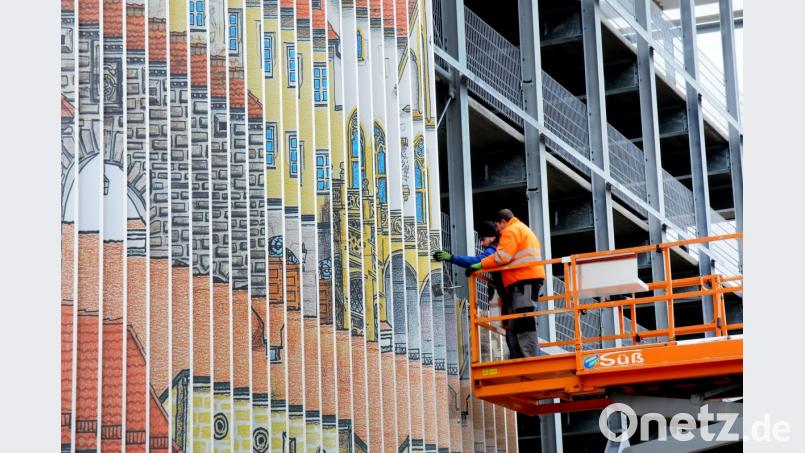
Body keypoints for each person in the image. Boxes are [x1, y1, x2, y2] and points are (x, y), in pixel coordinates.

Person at [432, 221, 524, 359]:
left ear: (492, 237)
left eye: (483, 239)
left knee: (517, 329)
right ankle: (516, 358)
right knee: (513, 329)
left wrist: (451, 258)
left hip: (514, 295)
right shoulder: (501, 248)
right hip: (512, 294)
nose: (481, 244)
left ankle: (518, 359)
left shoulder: (494, 249)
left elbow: (476, 261)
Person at [466, 209, 546, 358]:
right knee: (520, 319)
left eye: (497, 227)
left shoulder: (511, 231)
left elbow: (502, 257)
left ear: (503, 222)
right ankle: (524, 356)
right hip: (526, 279)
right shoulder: (523, 229)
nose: (497, 231)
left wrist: (480, 265)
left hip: (523, 280)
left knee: (524, 320)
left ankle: (529, 357)